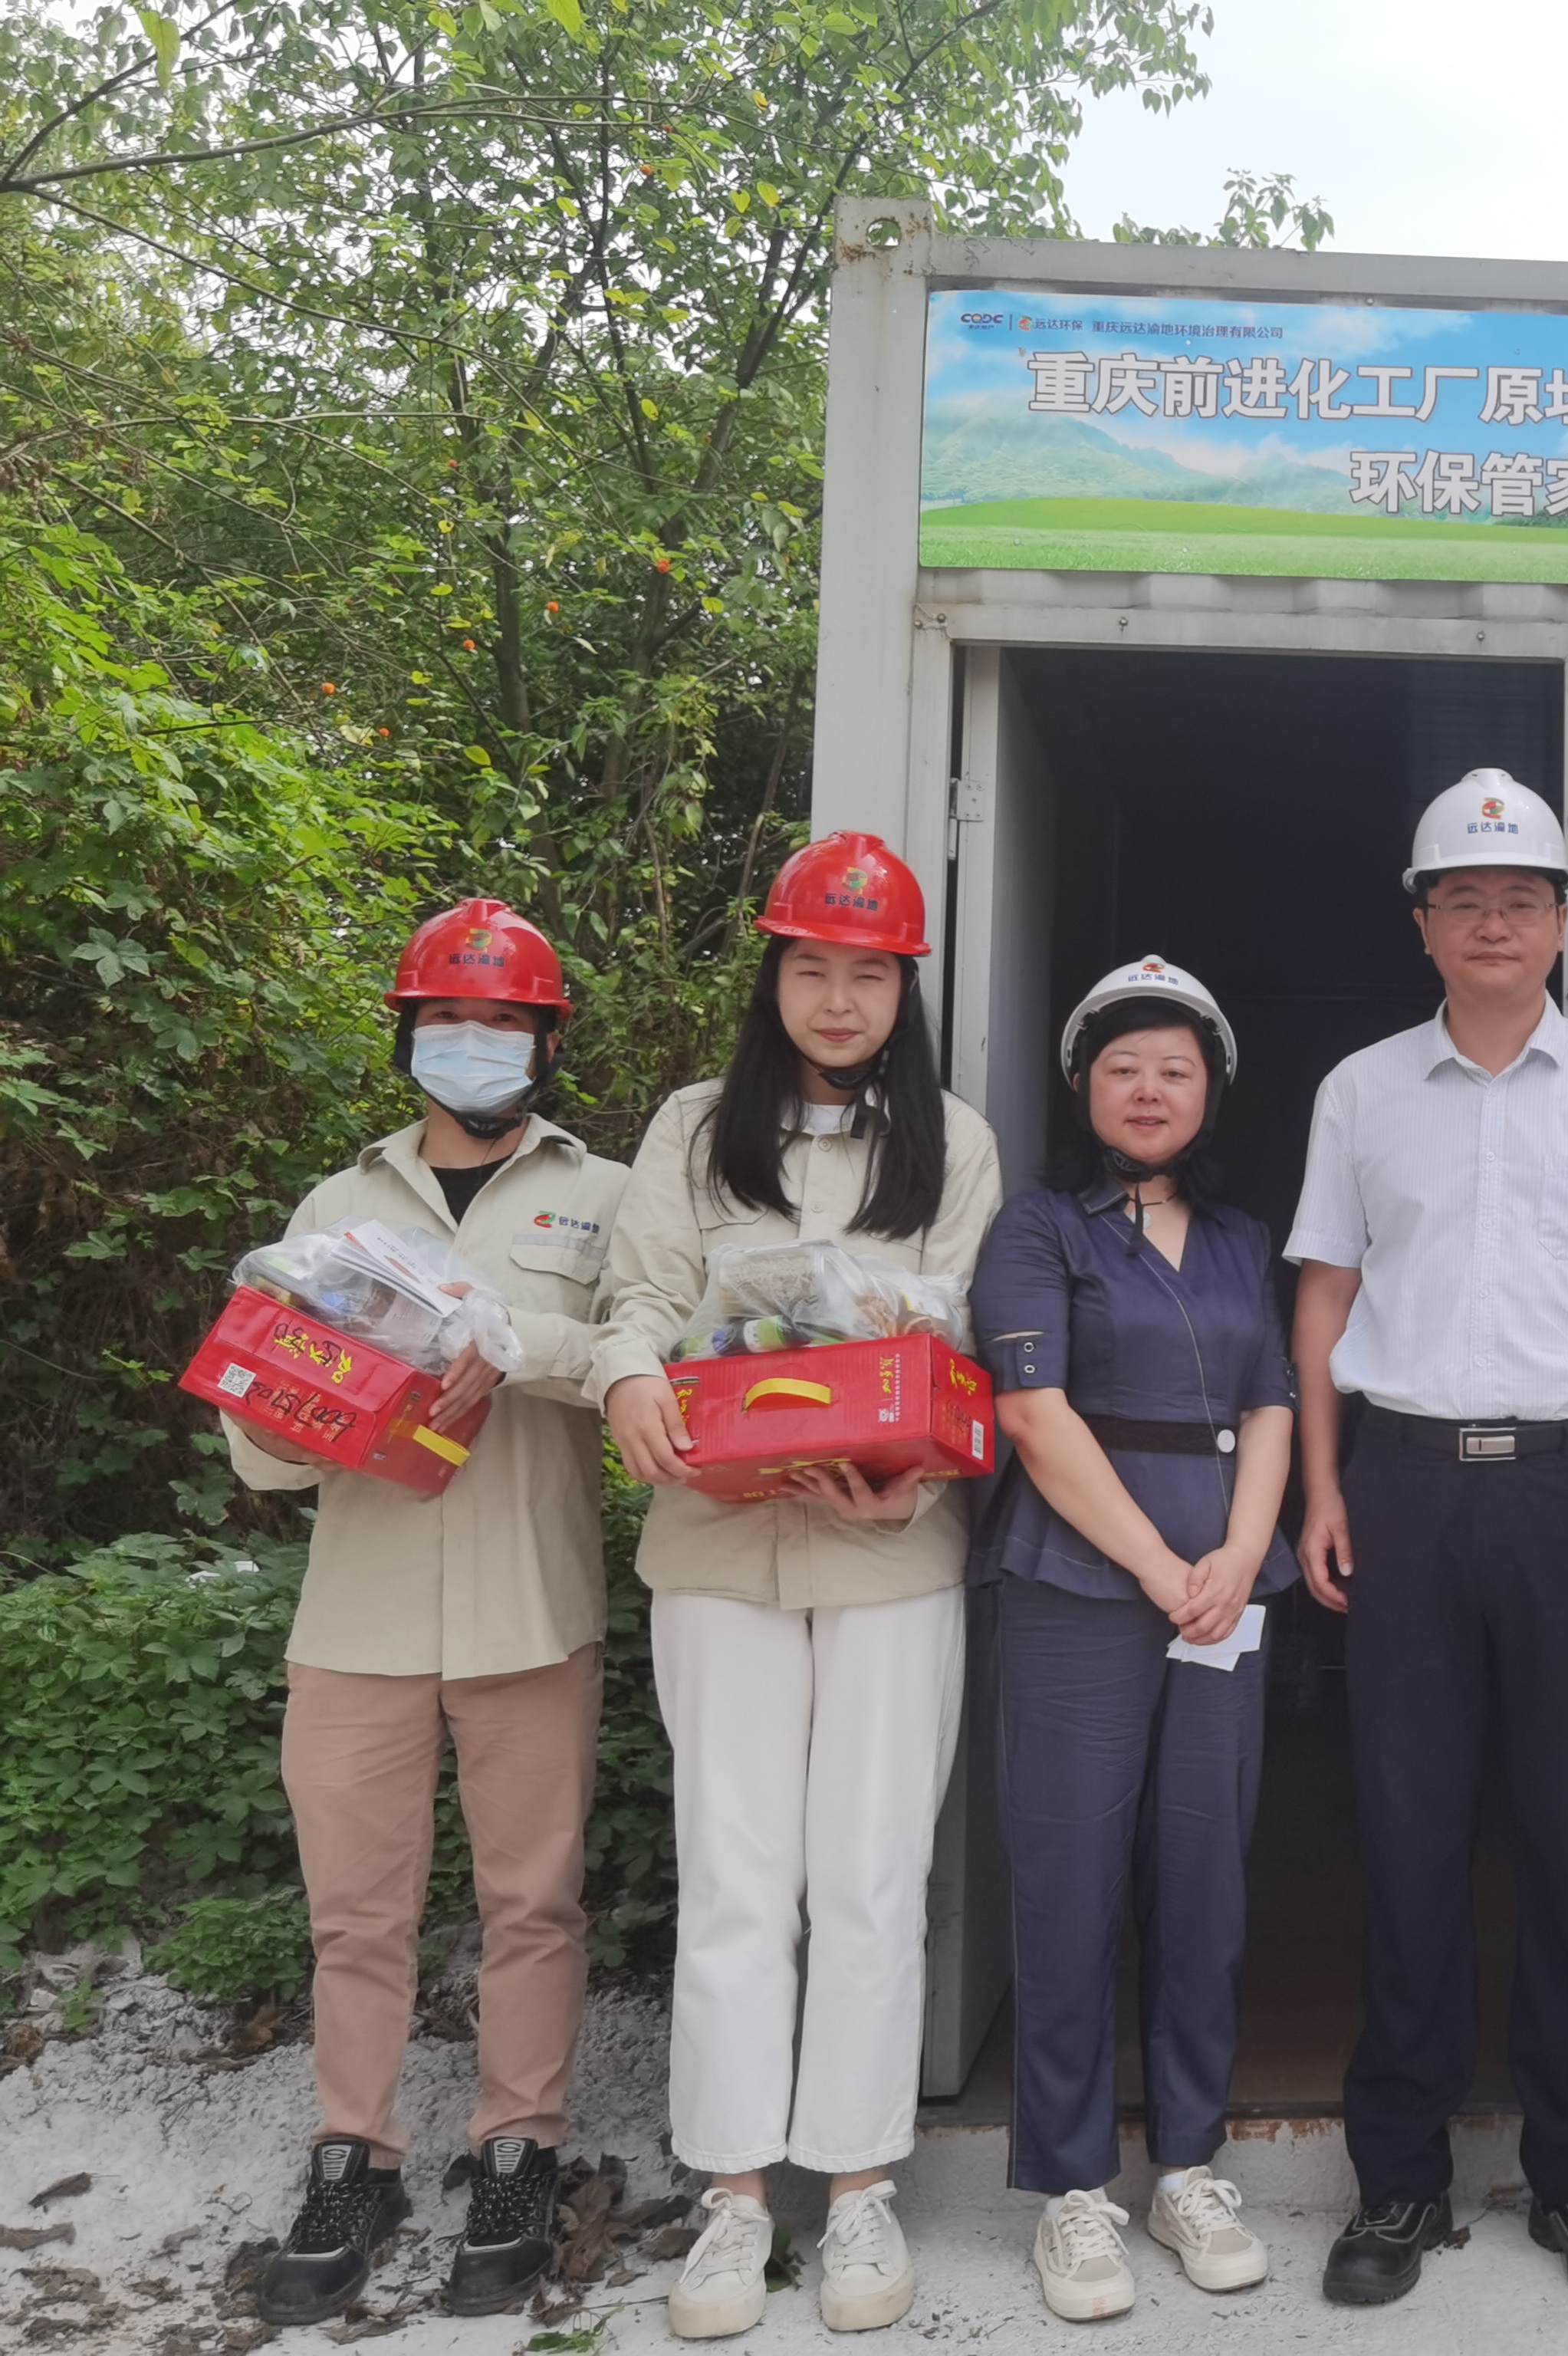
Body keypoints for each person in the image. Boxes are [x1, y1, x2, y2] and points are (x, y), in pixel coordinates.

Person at [1286, 770, 1568, 2309]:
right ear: (1422, 925)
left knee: (1567, 1840)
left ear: (1560, 921)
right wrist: (1324, 1487)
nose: (1493, 922)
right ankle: (1399, 2183)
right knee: (1406, 1839)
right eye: (1463, 899)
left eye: (1520, 898)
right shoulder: (1359, 1092)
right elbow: (1325, 1293)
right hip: (1404, 1488)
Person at [589, 834, 1001, 2341]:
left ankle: (861, 2181)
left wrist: (921, 1480)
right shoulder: (696, 1128)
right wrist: (630, 1375)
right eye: (813, 968)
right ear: (771, 977)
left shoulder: (955, 1143)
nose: (839, 1000)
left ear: (905, 991)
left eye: (869, 975)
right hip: (717, 1547)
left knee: (873, 1875)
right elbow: (638, 1297)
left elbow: (963, 1346)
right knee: (734, 1874)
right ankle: (734, 2196)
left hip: (889, 1552)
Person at [233, 898, 630, 2328]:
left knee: (534, 1901)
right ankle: (358, 2160)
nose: (477, 1043)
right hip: (360, 1617)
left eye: (506, 1021)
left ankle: (517, 2149)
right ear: (409, 1036)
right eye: (451, 1019)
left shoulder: (606, 1197)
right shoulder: (334, 1211)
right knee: (354, 1917)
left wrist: (514, 1346)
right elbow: (258, 1451)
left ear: (546, 1042)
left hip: (532, 1609)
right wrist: (317, 1404)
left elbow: (641, 1362)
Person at [967, 956, 1298, 2321]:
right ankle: (1068, 2185)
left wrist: (1240, 1557)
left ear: (1211, 1089)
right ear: (1082, 1086)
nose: (1150, 1089)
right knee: (1070, 1876)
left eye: (1175, 1067)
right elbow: (1034, 1416)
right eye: (1123, 1067)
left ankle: (1189, 2164)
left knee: (1205, 1875)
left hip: (1224, 1588)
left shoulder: (1241, 1238)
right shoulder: (1040, 1227)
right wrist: (1165, 1568)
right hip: (1082, 1584)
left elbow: (1274, 1400)